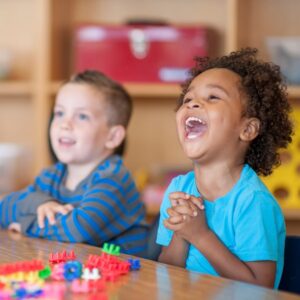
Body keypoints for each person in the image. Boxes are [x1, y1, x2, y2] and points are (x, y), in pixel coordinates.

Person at [156, 48, 293, 288]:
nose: (193, 103)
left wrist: (199, 234)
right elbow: (166, 271)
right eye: (188, 99)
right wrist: (182, 232)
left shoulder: (253, 201)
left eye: (213, 97)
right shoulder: (179, 189)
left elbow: (260, 287)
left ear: (248, 129)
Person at [0, 70, 148, 256]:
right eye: (60, 113)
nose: (65, 124)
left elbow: (77, 229)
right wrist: (41, 204)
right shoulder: (51, 176)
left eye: (82, 116)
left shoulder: (113, 179)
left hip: (130, 277)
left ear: (113, 136)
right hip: (78, 271)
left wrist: (25, 224)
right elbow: (3, 210)